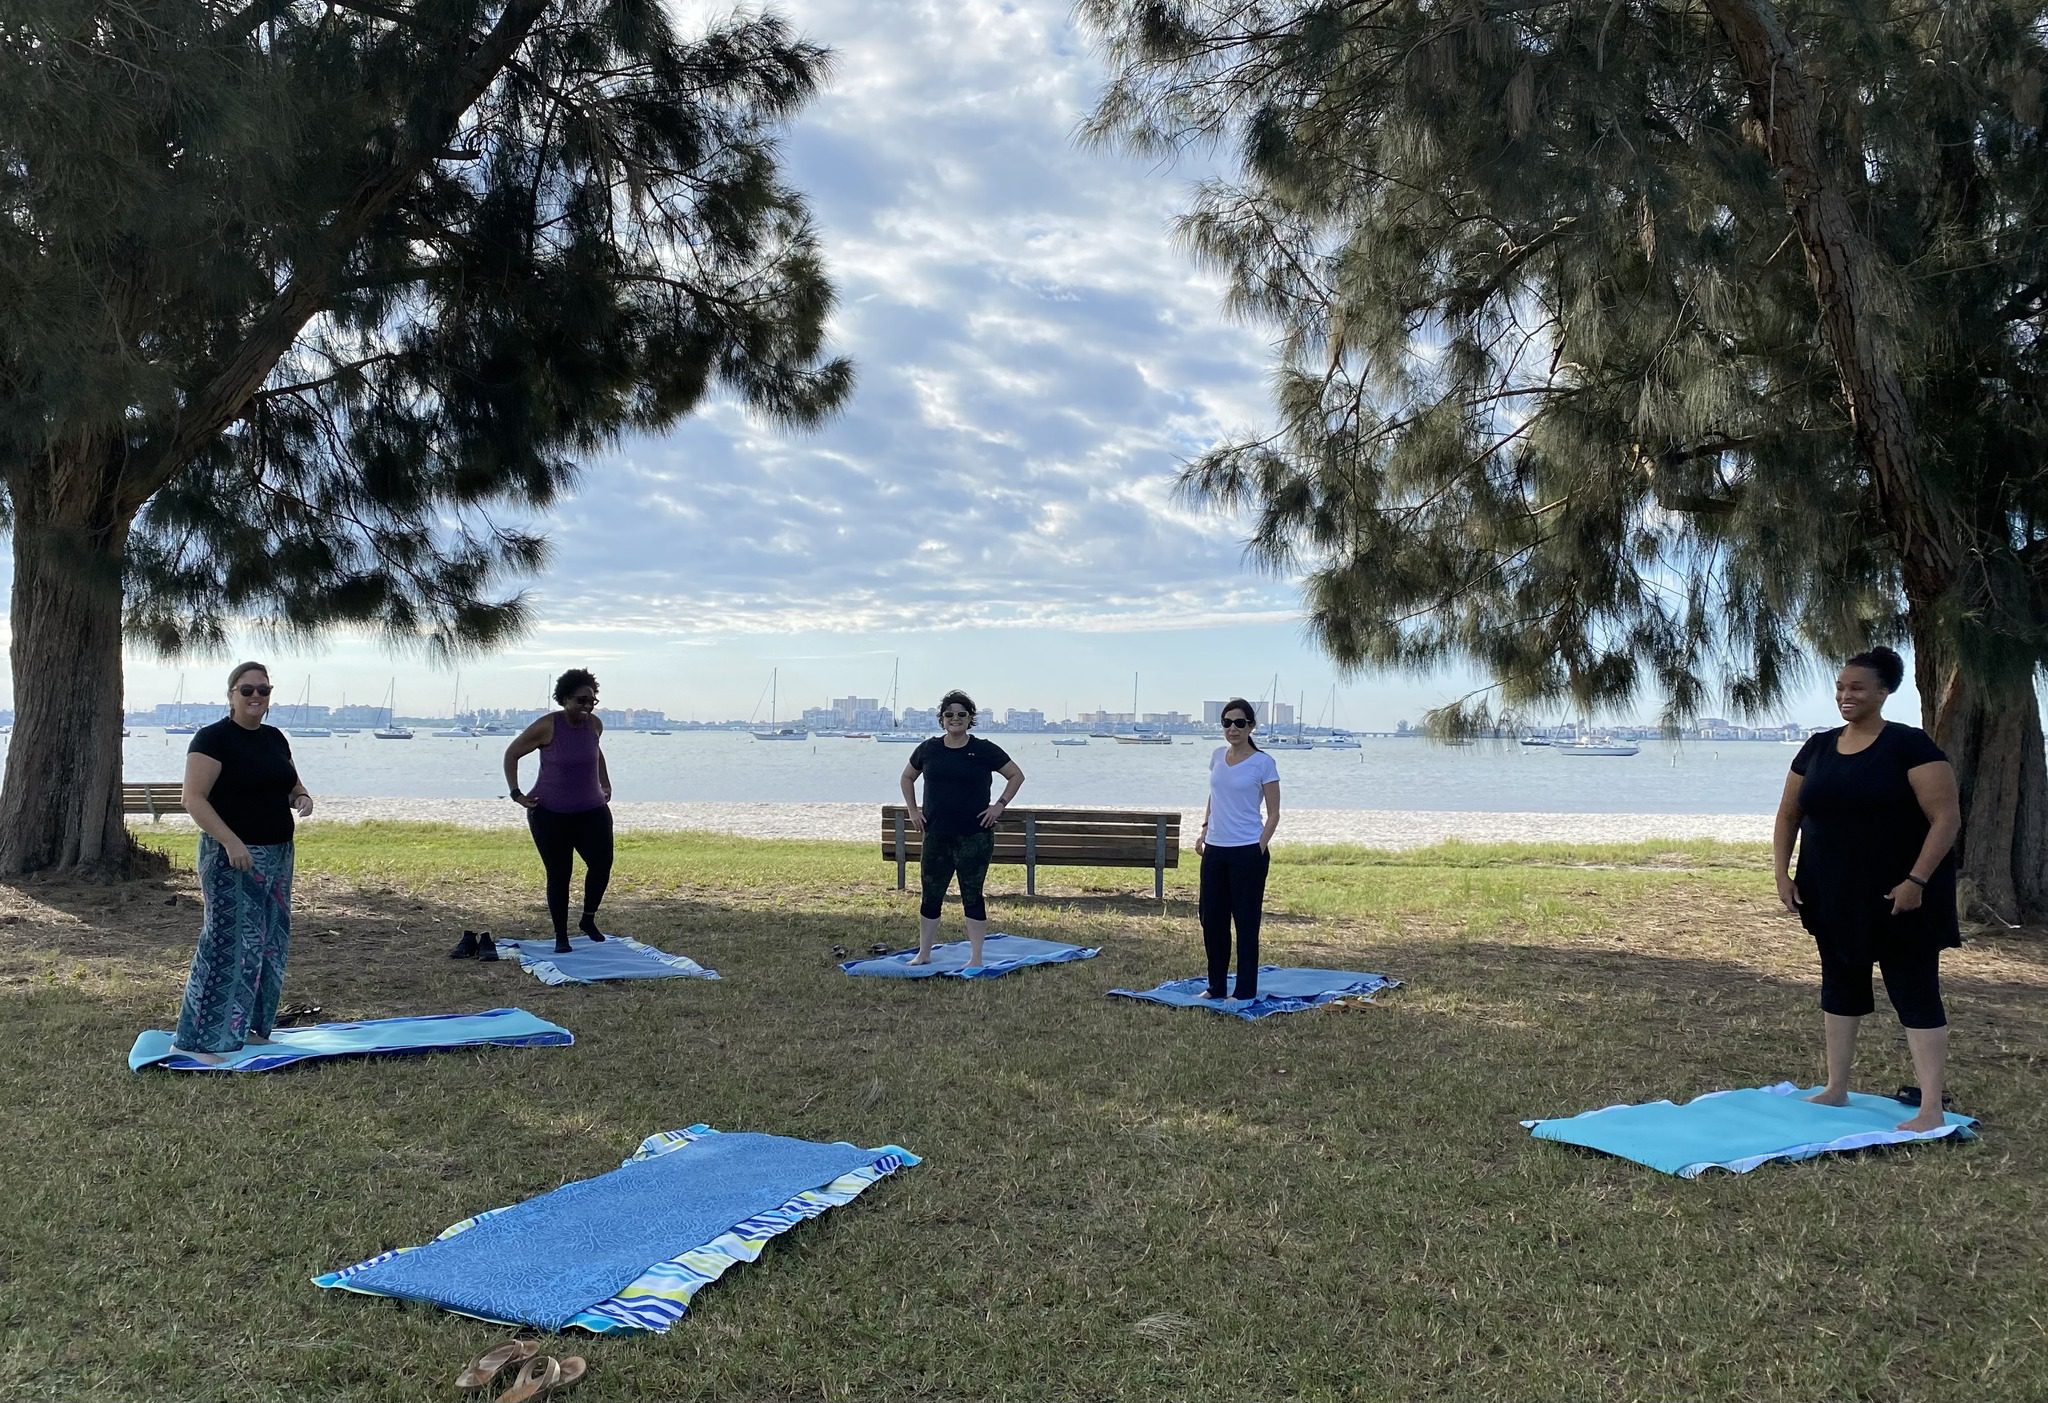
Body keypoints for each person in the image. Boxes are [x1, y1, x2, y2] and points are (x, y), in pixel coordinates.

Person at [1774, 645, 1963, 1132]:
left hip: (1900, 897)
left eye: (1857, 687)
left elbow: (1945, 818)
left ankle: (1931, 1107)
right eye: (1840, 687)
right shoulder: (1818, 747)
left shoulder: (1909, 745)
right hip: (1832, 893)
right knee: (1840, 987)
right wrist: (1782, 873)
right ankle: (1835, 1088)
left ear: (1883, 692)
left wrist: (1916, 880)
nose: (1846, 695)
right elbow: (1789, 814)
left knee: (1915, 992)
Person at [171, 662, 316, 1063]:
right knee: (227, 945)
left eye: (263, 690)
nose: (256, 697)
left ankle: (249, 1030)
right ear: (231, 694)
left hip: (278, 854)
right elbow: (193, 799)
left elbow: (291, 784)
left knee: (268, 944)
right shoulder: (213, 739)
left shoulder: (274, 738)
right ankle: (195, 1042)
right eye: (247, 690)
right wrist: (231, 842)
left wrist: (302, 797)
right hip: (231, 857)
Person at [899, 690, 1024, 967]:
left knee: (972, 895)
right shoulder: (928, 749)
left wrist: (999, 805)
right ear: (942, 719)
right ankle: (924, 953)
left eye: (961, 714)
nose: (955, 718)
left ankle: (976, 958)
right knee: (931, 895)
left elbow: (1016, 775)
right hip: (937, 835)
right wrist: (913, 810)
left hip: (975, 836)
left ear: (970, 719)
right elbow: (907, 777)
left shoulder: (984, 749)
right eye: (949, 714)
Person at [502, 669, 614, 956]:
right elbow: (512, 754)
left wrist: (605, 782)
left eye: (592, 701)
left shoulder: (595, 725)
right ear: (565, 699)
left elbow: (595, 752)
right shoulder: (547, 726)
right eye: (581, 700)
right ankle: (561, 936)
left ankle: (588, 919)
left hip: (592, 811)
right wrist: (516, 794)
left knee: (601, 865)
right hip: (550, 814)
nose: (587, 706)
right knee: (560, 874)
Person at [1195, 697, 1282, 999]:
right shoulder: (1218, 756)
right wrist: (1204, 829)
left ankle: (1244, 990)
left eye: (1239, 723)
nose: (1233, 728)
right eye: (1227, 723)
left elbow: (1274, 813)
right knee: (1211, 920)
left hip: (1247, 851)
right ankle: (1216, 986)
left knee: (1245, 923)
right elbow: (1214, 796)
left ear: (1251, 727)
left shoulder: (1263, 763)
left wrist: (1260, 845)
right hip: (1215, 850)